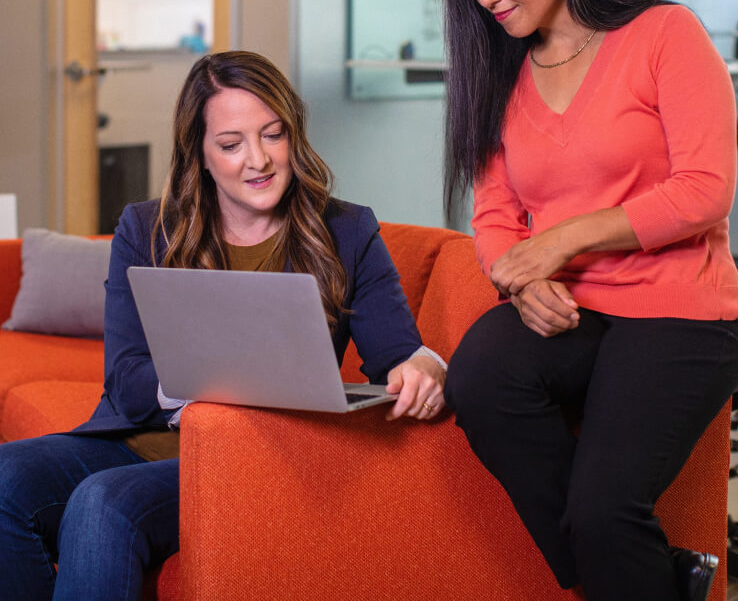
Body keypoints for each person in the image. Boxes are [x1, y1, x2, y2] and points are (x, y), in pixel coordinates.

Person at [0, 51, 446, 599]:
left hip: (256, 456)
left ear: (293, 135)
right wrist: (197, 380)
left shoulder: (347, 230)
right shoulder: (146, 228)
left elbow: (397, 356)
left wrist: (426, 365)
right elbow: (126, 378)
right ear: (201, 155)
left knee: (103, 504)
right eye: (231, 144)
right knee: (5, 478)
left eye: (273, 135)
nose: (257, 160)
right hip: (142, 441)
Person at [437, 0, 738, 601]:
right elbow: (494, 212)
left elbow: (705, 191)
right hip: (576, 309)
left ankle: (614, 554)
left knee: (603, 511)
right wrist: (521, 273)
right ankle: (654, 580)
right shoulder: (499, 70)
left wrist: (562, 242)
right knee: (478, 375)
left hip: (679, 313)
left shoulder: (665, 34)